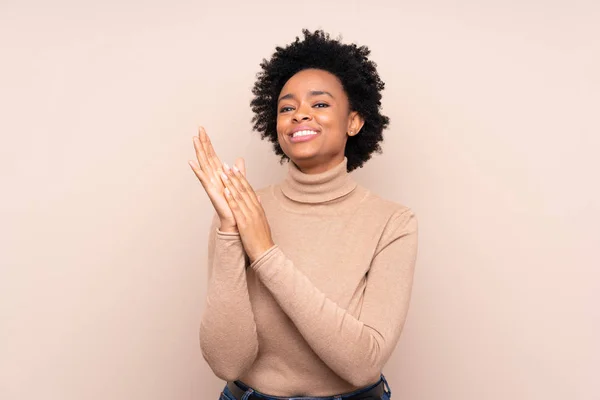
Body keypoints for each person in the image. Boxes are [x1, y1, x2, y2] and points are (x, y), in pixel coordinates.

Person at [189, 29, 418, 400]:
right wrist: (231, 232)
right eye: (287, 107)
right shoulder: (238, 211)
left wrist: (265, 253)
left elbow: (363, 362)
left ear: (354, 122)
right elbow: (228, 363)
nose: (300, 115)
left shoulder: (393, 222)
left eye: (321, 104)